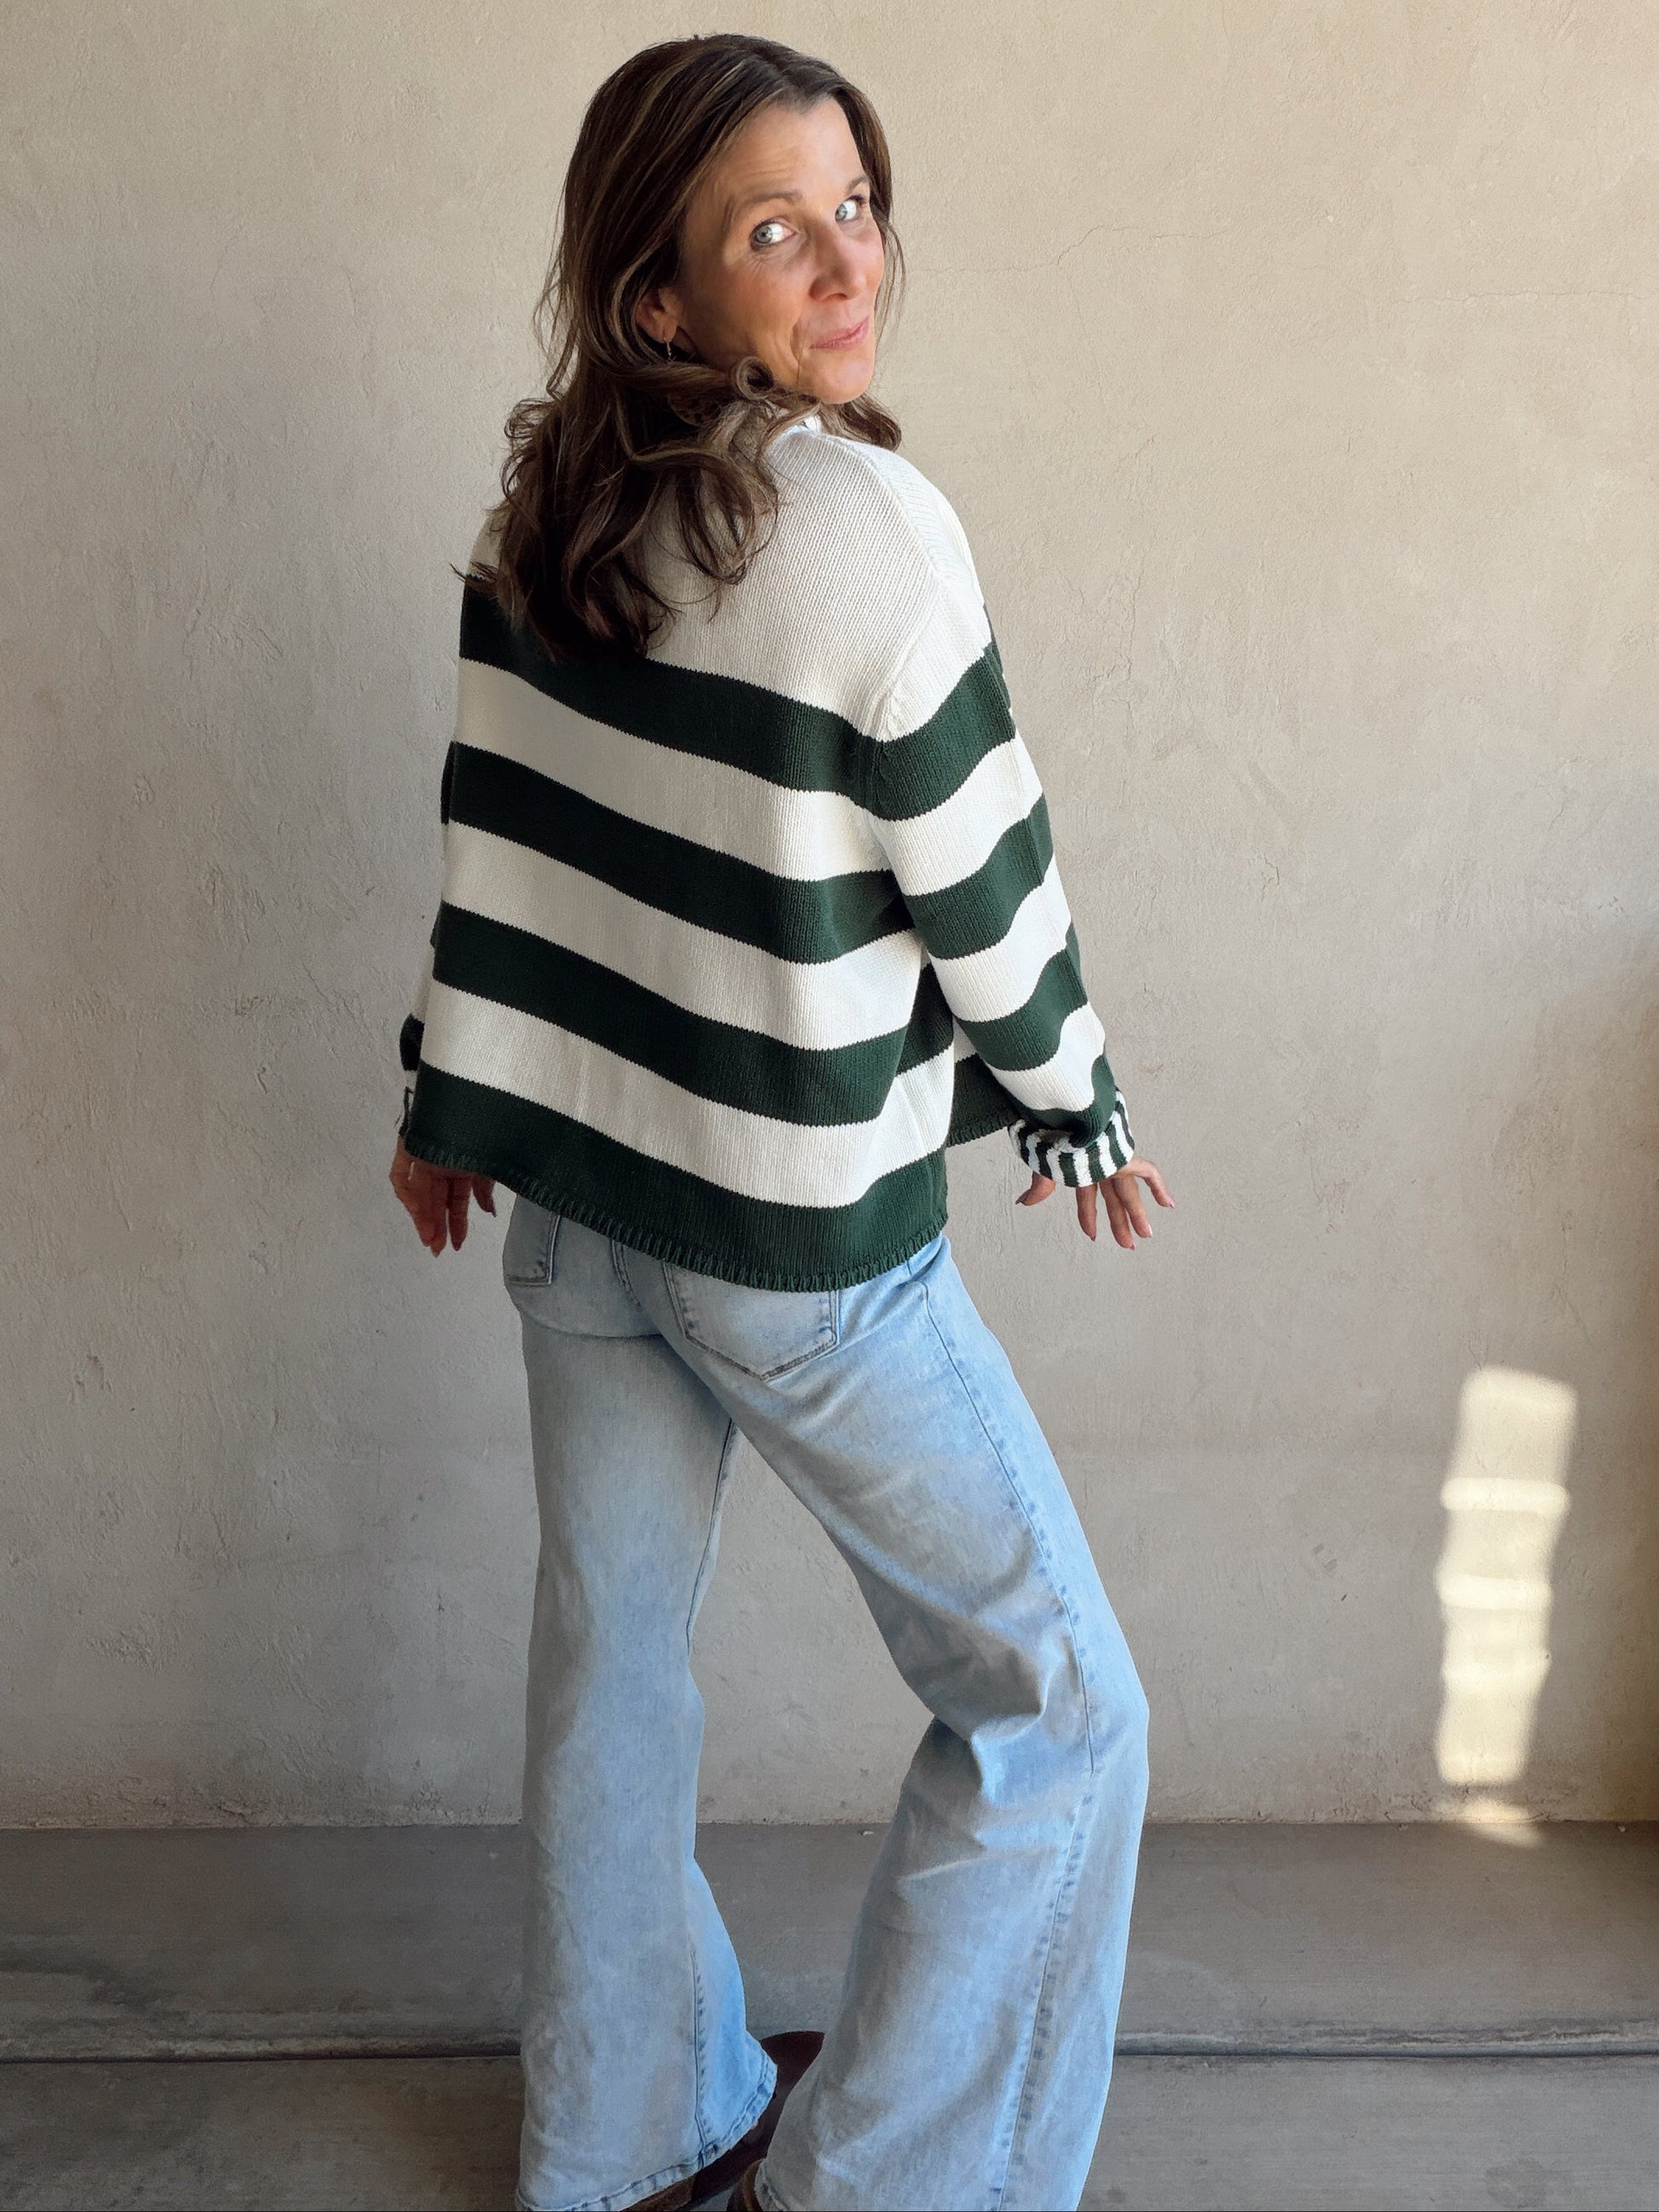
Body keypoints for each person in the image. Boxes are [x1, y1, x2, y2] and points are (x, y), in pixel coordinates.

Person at [389, 33, 1171, 2212]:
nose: (848, 262)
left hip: (574, 1203)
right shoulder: (869, 530)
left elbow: (501, 845)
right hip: (788, 1243)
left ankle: (622, 2136)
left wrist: (444, 1093)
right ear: (659, 293)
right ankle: (892, 2184)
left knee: (609, 1680)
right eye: (775, 228)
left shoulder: (539, 511)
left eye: (858, 205)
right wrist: (1076, 1102)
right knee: (1058, 1707)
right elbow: (983, 877)